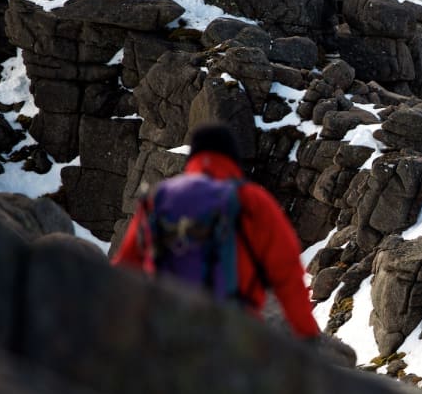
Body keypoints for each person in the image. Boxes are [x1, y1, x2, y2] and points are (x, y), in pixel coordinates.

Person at [113, 122, 320, 339]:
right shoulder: (252, 201)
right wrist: (308, 335)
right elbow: (288, 275)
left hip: (163, 330)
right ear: (232, 158)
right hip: (232, 337)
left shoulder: (160, 197)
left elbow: (126, 266)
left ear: (192, 157)